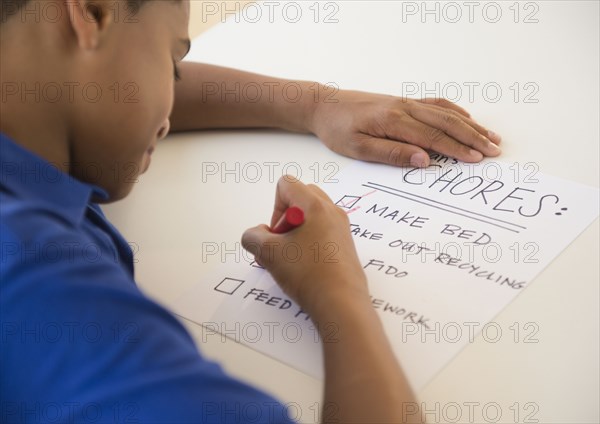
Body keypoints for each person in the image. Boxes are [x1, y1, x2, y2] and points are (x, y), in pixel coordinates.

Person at [0, 1, 501, 422]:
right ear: (91, 12)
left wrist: (313, 104)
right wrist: (338, 295)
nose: (171, 107)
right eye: (172, 61)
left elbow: (97, 79)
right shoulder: (38, 287)